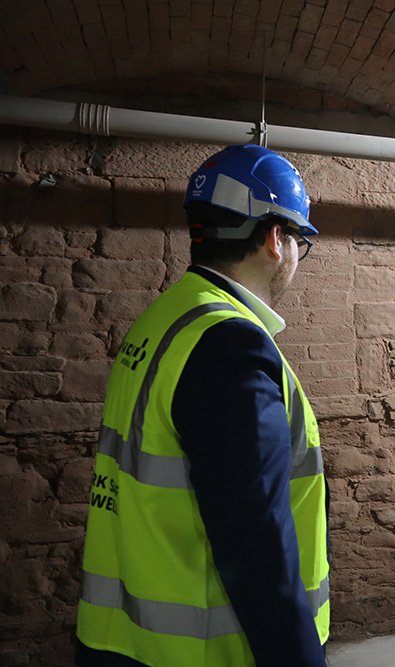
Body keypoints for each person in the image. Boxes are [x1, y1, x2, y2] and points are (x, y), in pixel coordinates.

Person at [76, 145, 329, 666]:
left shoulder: (165, 320)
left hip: (123, 639)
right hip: (207, 652)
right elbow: (255, 545)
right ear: (276, 239)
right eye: (301, 238)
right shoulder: (230, 347)